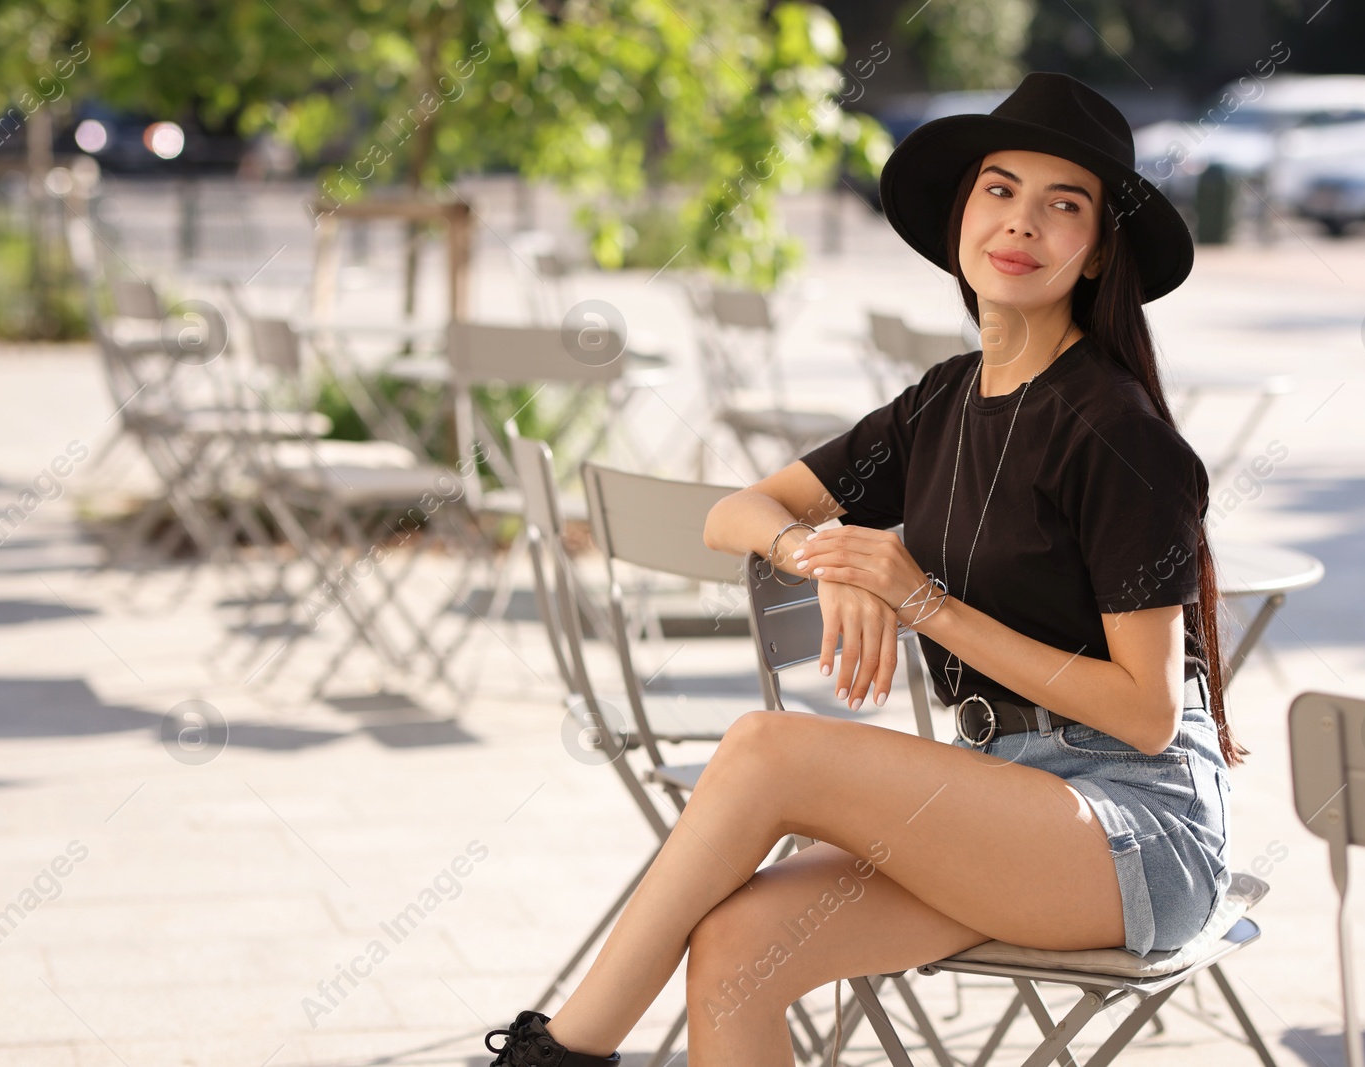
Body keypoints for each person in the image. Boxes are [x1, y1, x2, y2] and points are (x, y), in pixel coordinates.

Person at [481, 71, 1243, 1067]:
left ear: (1098, 250)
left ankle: (558, 1054)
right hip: (1004, 794)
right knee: (735, 947)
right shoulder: (940, 401)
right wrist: (824, 554)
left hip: (1132, 826)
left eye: (1065, 206)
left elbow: (1143, 712)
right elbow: (739, 510)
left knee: (767, 747)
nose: (1022, 223)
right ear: (962, 213)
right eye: (999, 191)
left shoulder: (1116, 435)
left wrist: (916, 597)